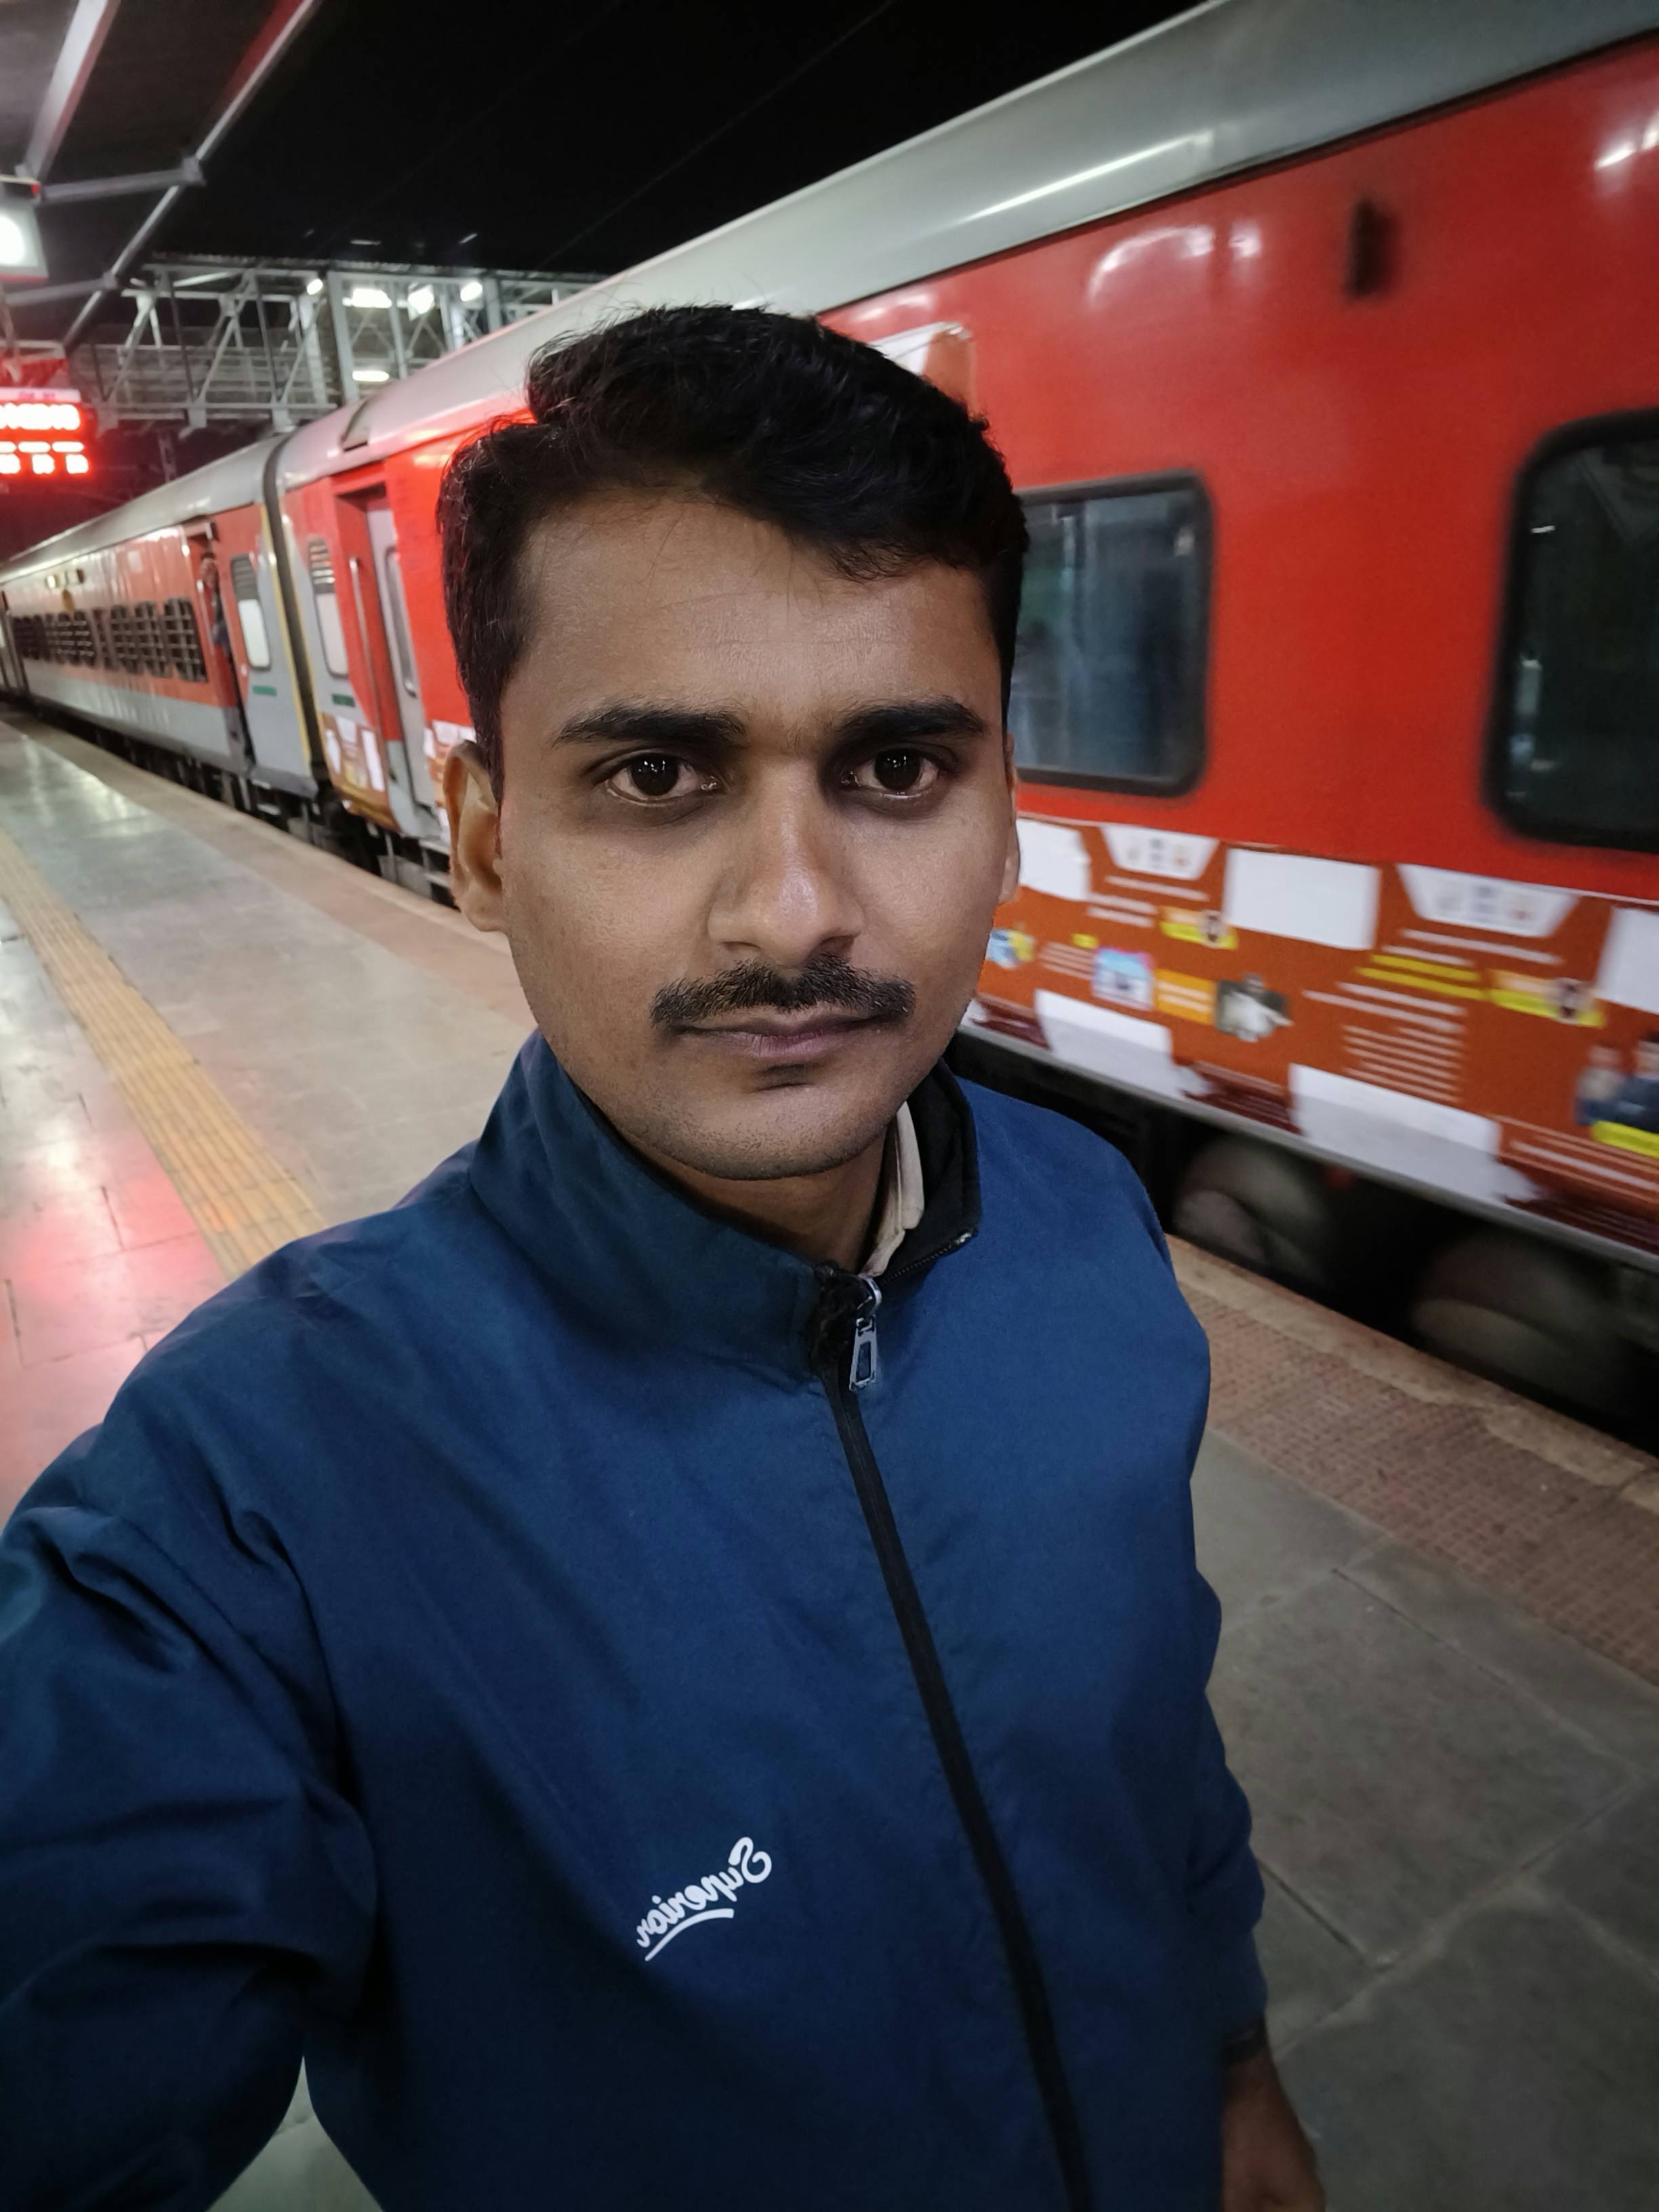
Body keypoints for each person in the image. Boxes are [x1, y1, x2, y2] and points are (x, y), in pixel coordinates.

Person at [0, 307, 1322, 2211]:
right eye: (654, 777)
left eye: (895, 767)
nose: (794, 914)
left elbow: (1151, 1732)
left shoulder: (1084, 1224)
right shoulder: (248, 1501)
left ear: (1006, 816)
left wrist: (1230, 2054)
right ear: (481, 841)